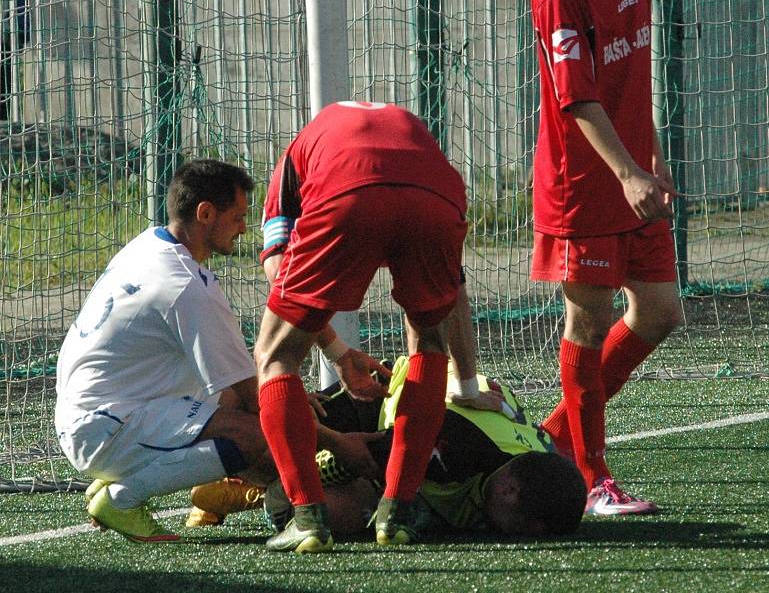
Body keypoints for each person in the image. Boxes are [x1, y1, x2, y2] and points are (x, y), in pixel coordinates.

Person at [55, 158, 381, 543]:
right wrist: (339, 443)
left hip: (100, 410)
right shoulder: (184, 288)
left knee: (247, 404)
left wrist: (319, 371)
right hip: (105, 427)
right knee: (261, 431)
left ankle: (195, 485)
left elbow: (239, 387)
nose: (244, 227)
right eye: (238, 216)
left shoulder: (150, 246)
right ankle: (123, 496)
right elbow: (257, 400)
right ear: (205, 213)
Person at [253, 100, 503, 553]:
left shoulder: (293, 157)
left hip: (347, 192)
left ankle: (307, 517)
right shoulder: (414, 137)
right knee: (427, 342)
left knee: (275, 355)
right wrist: (466, 387)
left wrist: (335, 351)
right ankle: (399, 513)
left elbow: (279, 271)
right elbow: (455, 295)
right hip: (437, 194)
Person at [529, 0, 682, 515]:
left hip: (633, 176)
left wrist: (652, 156)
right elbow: (578, 100)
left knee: (657, 312)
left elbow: (630, 80)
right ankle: (590, 478)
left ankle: (556, 434)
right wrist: (624, 172)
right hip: (583, 187)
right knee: (586, 321)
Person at [188, 357, 587, 539]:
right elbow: (356, 456)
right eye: (526, 531)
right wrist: (296, 481)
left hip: (438, 408)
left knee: (371, 513)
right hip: (380, 412)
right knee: (259, 433)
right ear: (508, 490)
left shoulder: (542, 469)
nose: (525, 539)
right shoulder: (453, 452)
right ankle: (252, 487)